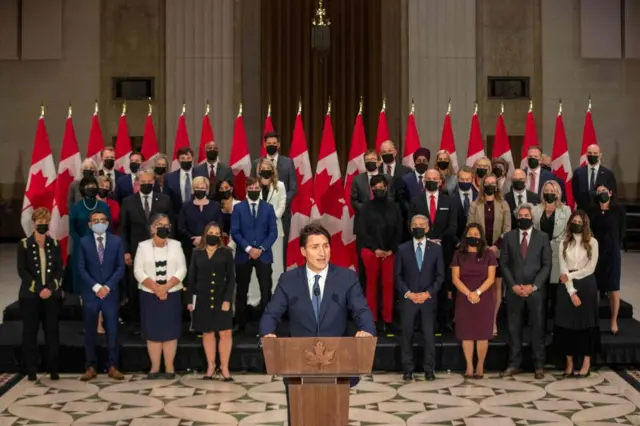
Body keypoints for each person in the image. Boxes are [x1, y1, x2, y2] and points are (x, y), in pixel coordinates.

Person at [259, 223, 376, 424]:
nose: (322, 253)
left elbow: (362, 311)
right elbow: (271, 314)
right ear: (303, 251)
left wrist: (366, 331)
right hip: (298, 365)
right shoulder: (288, 280)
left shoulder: (346, 278)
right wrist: (267, 335)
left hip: (337, 365)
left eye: (326, 246)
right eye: (315, 247)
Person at [500, 203, 551, 379]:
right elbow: (504, 264)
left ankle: (538, 365)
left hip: (535, 292)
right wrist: (513, 285)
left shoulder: (543, 237)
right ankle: (514, 364)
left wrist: (533, 286)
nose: (523, 218)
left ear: (532, 218)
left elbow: (546, 266)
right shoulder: (508, 237)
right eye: (520, 216)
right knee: (514, 329)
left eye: (526, 216)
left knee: (538, 328)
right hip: (514, 290)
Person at [134, 213, 187, 379]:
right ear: (152, 228)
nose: (163, 228)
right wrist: (157, 288)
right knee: (153, 333)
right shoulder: (142, 247)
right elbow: (138, 271)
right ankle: (155, 367)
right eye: (160, 224)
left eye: (166, 225)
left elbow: (182, 269)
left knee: (170, 333)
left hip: (171, 295)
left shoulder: (176, 246)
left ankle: (170, 367)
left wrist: (166, 288)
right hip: (150, 295)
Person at [119, 168, 174, 327]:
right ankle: (137, 323)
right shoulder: (128, 202)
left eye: (149, 182)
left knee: (159, 283)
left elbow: (172, 226)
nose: (146, 185)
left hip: (161, 250)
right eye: (143, 182)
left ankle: (157, 320)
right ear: (137, 183)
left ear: (154, 182)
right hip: (137, 253)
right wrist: (126, 251)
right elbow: (123, 228)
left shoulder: (164, 200)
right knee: (137, 287)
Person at [77, 209, 125, 381]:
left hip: (110, 294)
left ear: (107, 223)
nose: (99, 223)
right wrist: (97, 287)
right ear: (90, 225)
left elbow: (120, 267)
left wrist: (107, 286)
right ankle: (90, 366)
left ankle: (113, 365)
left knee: (112, 330)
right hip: (91, 293)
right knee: (90, 331)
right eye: (95, 220)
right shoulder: (83, 242)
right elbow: (81, 268)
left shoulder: (116, 241)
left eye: (102, 220)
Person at [395, 215, 443, 382]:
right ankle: (408, 369)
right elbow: (398, 276)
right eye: (415, 225)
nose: (418, 228)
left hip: (428, 300)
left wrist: (427, 293)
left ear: (428, 228)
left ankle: (429, 369)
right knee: (407, 335)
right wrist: (409, 294)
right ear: (410, 227)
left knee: (429, 336)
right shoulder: (402, 249)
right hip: (409, 299)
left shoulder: (436, 249)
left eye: (422, 225)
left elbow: (440, 276)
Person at [408, 168, 457, 332]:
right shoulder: (416, 201)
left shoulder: (449, 201)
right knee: (421, 283)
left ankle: (443, 322)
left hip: (444, 249)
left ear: (440, 181)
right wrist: (427, 240)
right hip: (421, 249)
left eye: (435, 178)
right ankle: (419, 322)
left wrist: (439, 240)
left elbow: (453, 226)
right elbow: (411, 225)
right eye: (428, 178)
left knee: (443, 285)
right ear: (424, 181)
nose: (431, 181)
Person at [18, 208, 63, 381]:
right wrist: (39, 289)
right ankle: (31, 370)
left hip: (52, 296)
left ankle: (53, 369)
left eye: (46, 222)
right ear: (34, 223)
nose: (43, 225)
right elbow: (22, 271)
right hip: (30, 296)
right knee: (30, 332)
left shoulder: (55, 244)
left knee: (52, 332)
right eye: (40, 222)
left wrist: (51, 288)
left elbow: (59, 269)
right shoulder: (23, 245)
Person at [187, 222, 235, 380]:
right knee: (207, 333)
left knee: (225, 333)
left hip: (222, 298)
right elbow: (192, 278)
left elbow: (231, 279)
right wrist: (189, 300)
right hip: (202, 298)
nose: (213, 236)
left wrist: (227, 299)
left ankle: (224, 367)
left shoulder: (226, 252)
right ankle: (211, 366)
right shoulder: (197, 252)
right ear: (205, 233)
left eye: (216, 233)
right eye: (211, 232)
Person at [555, 210, 600, 377]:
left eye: (580, 221)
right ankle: (569, 362)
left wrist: (570, 276)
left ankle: (586, 362)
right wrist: (571, 291)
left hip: (586, 284)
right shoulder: (564, 242)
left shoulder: (593, 242)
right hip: (567, 286)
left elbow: (590, 268)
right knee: (566, 325)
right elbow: (562, 267)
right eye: (574, 221)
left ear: (585, 224)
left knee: (586, 325)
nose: (576, 224)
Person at [356, 175, 403, 331]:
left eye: (382, 186)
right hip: (371, 252)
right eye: (376, 186)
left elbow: (399, 230)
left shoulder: (394, 207)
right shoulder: (365, 208)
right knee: (371, 285)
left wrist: (390, 249)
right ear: (372, 189)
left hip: (390, 253)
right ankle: (372, 319)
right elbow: (362, 231)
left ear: (386, 187)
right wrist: (375, 249)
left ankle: (388, 319)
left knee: (388, 285)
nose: (379, 189)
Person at [231, 177, 278, 333]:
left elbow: (273, 232)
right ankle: (240, 322)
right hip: (244, 254)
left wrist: (261, 249)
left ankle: (268, 325)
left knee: (266, 291)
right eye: (250, 188)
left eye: (256, 188)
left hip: (263, 255)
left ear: (260, 189)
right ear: (246, 189)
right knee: (242, 291)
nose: (253, 190)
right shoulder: (238, 208)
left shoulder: (268, 208)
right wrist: (249, 248)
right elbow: (235, 232)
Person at [451, 223, 497, 379]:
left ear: (481, 236)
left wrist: (477, 292)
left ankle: (480, 365)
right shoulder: (458, 254)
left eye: (476, 234)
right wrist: (468, 293)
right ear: (465, 236)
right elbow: (455, 279)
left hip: (483, 298)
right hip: (464, 298)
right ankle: (469, 365)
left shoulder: (488, 254)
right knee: (467, 334)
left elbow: (491, 278)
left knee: (482, 334)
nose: (473, 237)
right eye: (470, 234)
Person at [467, 173, 511, 336]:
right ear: (482, 185)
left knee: (495, 288)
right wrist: (483, 247)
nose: (491, 185)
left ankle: (492, 322)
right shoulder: (475, 204)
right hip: (479, 251)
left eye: (494, 183)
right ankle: (479, 321)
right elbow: (470, 227)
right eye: (488, 183)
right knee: (479, 286)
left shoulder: (504, 204)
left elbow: (507, 229)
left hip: (498, 252)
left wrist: (495, 247)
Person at [252, 131, 297, 268]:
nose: (271, 145)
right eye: (268, 143)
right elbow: (251, 186)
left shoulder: (288, 162)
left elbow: (293, 188)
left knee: (279, 251)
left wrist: (279, 206)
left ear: (278, 145)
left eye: (274, 143)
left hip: (281, 216)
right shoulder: (256, 163)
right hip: (258, 217)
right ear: (264, 145)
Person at [532, 180, 571, 326]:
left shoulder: (566, 210)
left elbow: (568, 232)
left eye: (552, 190)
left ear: (558, 193)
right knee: (540, 288)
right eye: (547, 190)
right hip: (538, 253)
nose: (550, 193)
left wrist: (552, 244)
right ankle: (538, 322)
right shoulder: (536, 209)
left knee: (555, 291)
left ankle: (554, 322)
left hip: (557, 254)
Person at [589, 184, 626, 335]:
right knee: (594, 289)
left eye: (604, 191)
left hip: (612, 254)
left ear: (610, 193)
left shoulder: (618, 211)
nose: (602, 193)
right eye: (599, 192)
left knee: (614, 290)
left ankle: (613, 320)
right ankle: (593, 321)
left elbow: (622, 231)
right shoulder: (592, 212)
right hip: (596, 254)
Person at [249, 158, 286, 305]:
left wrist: (268, 221)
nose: (265, 169)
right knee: (257, 267)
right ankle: (255, 299)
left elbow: (281, 206)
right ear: (258, 170)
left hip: (275, 230)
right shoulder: (253, 185)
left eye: (267, 167)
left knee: (276, 265)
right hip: (256, 232)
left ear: (272, 169)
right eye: (262, 167)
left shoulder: (280, 186)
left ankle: (276, 299)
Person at [69, 177, 111, 294]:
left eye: (93, 186)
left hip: (101, 246)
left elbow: (109, 226)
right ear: (82, 189)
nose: (91, 189)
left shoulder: (103, 206)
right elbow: (72, 230)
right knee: (82, 279)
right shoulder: (76, 207)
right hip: (81, 246)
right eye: (88, 187)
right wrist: (84, 244)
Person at [178, 176, 223, 265]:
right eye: (197, 188)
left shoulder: (215, 206)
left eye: (202, 188)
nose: (200, 190)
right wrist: (192, 239)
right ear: (193, 189)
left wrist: (204, 239)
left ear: (207, 189)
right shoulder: (186, 206)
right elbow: (181, 227)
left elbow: (219, 225)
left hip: (211, 246)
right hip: (190, 248)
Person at [573, 144, 618, 211]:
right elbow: (575, 193)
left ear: (600, 155)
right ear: (586, 155)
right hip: (583, 212)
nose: (592, 155)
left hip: (601, 213)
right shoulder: (578, 173)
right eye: (590, 153)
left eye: (595, 153)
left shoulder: (608, 174)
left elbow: (613, 194)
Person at [164, 147, 205, 215]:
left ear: (193, 159)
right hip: (176, 216)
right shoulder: (169, 178)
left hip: (198, 214)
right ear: (178, 160)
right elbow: (166, 199)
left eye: (188, 158)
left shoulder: (201, 175)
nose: (186, 160)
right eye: (183, 158)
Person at [215, 179, 240, 249]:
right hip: (220, 245)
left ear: (231, 189)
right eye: (221, 188)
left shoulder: (240, 205)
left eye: (226, 188)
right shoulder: (216, 207)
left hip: (236, 244)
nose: (224, 190)